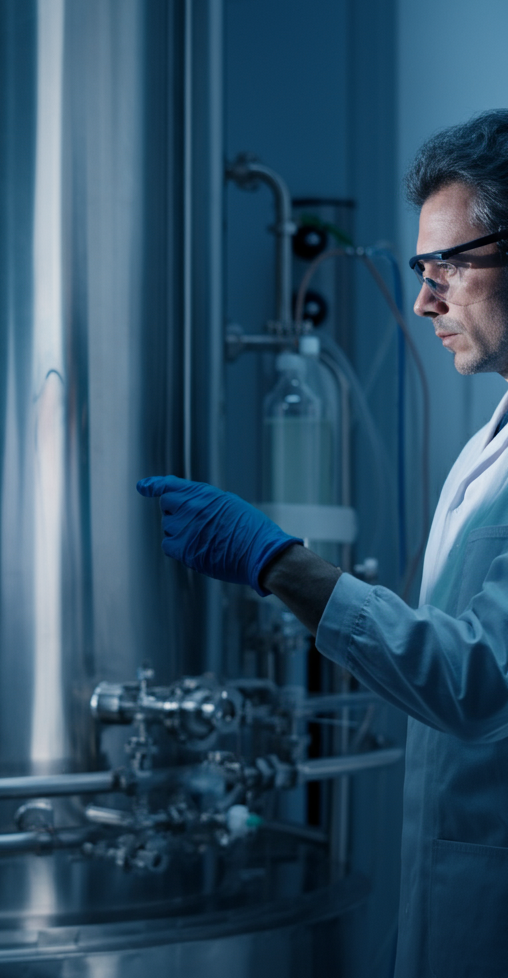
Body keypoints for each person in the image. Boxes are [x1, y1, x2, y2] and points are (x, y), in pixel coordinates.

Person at [139, 110, 508, 978]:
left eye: (447, 264)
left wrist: (278, 562)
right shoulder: (487, 441)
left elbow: (474, 679)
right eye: (421, 270)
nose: (424, 299)